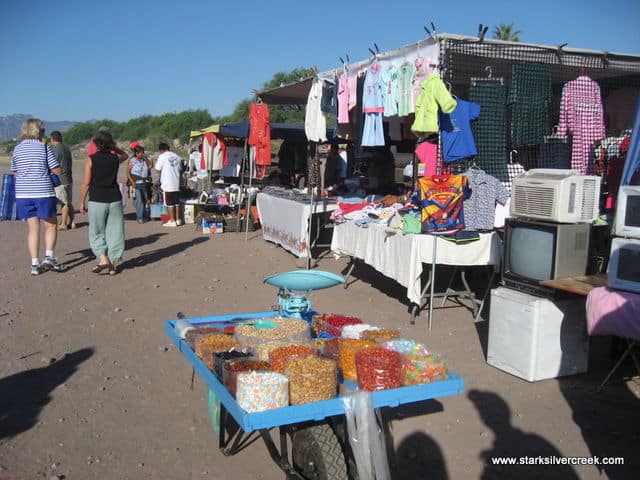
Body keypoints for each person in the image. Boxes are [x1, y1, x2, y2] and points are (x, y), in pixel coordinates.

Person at [10, 118, 65, 275]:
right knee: (51, 225)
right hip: (42, 191)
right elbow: (57, 170)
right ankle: (49, 257)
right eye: (43, 130)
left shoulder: (17, 149)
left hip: (23, 194)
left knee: (33, 228)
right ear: (38, 131)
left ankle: (34, 263)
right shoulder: (44, 148)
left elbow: (15, 171)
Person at [79, 130, 129, 275]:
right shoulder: (114, 158)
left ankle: (102, 258)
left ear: (96, 144)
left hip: (97, 199)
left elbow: (86, 183)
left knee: (96, 231)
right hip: (114, 198)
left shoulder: (91, 159)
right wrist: (113, 147)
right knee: (115, 231)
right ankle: (113, 265)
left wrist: (82, 201)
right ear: (110, 143)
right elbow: (125, 155)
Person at [49, 130, 75, 230]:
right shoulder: (66, 148)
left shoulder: (56, 150)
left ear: (52, 139)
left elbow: (52, 165)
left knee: (64, 203)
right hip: (69, 178)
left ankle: (63, 224)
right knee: (69, 202)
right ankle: (72, 222)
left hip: (60, 179)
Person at [155, 142, 183, 227]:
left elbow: (157, 169)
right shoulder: (177, 156)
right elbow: (180, 169)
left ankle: (172, 220)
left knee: (169, 203)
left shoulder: (162, 156)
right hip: (176, 182)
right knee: (176, 202)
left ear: (161, 150)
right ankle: (178, 219)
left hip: (168, 183)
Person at [127, 145, 151, 223]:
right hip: (136, 183)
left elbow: (150, 167)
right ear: (136, 153)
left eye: (143, 153)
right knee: (139, 200)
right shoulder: (132, 160)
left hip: (144, 183)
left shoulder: (144, 160)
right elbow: (127, 172)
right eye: (140, 153)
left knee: (145, 200)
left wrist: (149, 160)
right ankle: (139, 217)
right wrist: (132, 182)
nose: (142, 154)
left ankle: (144, 215)